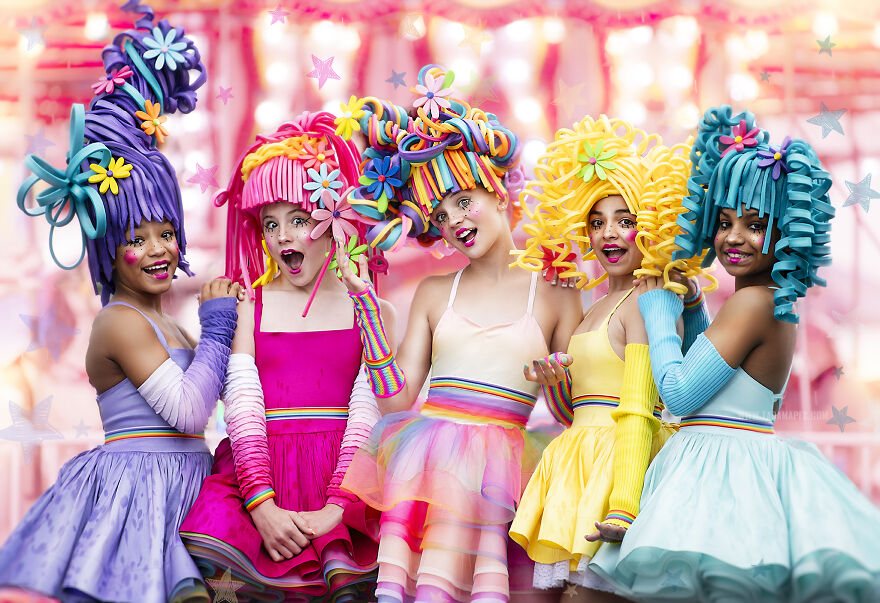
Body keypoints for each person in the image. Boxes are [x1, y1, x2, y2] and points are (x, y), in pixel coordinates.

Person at [590, 105, 880, 602]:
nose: (733, 238)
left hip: (722, 478)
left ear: (788, 230)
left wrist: (658, 309)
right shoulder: (767, 301)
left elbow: (680, 393)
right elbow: (719, 376)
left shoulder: (751, 302)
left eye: (753, 224)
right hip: (726, 461)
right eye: (723, 222)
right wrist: (697, 306)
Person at [0, 3, 239, 602]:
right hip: (142, 498)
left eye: (165, 232)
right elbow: (187, 413)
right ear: (109, 248)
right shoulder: (117, 322)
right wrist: (218, 327)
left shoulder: (172, 324)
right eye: (136, 238)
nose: (158, 249)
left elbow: (219, 400)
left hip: (190, 488)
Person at [334, 65, 582, 602]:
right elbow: (397, 398)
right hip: (430, 467)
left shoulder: (557, 290)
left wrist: (558, 380)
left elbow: (570, 414)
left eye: (464, 202)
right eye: (442, 216)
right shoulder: (432, 292)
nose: (455, 222)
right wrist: (366, 306)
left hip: (508, 475)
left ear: (498, 193)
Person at [179, 113, 387, 602]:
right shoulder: (251, 306)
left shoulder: (371, 307)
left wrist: (338, 507)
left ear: (335, 221)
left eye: (298, 220)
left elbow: (371, 410)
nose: (282, 236)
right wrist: (261, 506)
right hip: (263, 474)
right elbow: (243, 409)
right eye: (271, 224)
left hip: (343, 480)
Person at [508, 115, 707, 600]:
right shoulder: (594, 303)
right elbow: (572, 411)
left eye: (625, 220)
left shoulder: (648, 299)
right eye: (597, 222)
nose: (608, 234)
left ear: (651, 227)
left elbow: (640, 406)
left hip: (621, 467)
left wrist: (624, 505)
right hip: (578, 463)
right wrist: (553, 381)